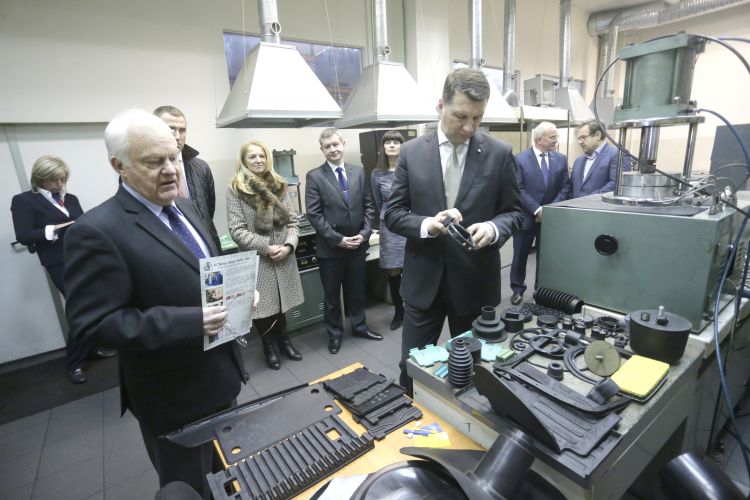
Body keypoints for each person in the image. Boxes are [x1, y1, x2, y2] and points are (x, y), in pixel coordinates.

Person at [63, 109, 246, 498]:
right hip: (173, 398)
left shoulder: (187, 208)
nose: (170, 171)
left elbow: (201, 275)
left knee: (230, 480)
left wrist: (238, 294)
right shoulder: (96, 231)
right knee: (190, 489)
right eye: (153, 162)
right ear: (119, 166)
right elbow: (94, 325)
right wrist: (191, 322)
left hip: (221, 379)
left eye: (173, 158)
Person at [384, 68, 524, 393]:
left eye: (477, 118)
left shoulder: (499, 154)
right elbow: (393, 213)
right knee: (411, 370)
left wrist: (493, 227)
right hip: (424, 284)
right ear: (441, 106)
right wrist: (426, 225)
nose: (469, 127)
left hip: (474, 283)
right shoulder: (411, 152)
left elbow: (514, 212)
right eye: (461, 116)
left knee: (474, 374)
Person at [10, 156, 114, 384]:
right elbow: (24, 235)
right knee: (81, 306)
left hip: (84, 258)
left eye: (63, 179)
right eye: (54, 180)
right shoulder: (24, 201)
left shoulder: (71, 198)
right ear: (40, 178)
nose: (60, 184)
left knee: (92, 305)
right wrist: (54, 229)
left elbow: (83, 224)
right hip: (59, 261)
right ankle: (74, 363)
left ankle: (90, 348)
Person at [227, 140, 304, 370]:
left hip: (283, 257)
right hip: (258, 259)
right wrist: (266, 247)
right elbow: (237, 230)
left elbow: (293, 222)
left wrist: (289, 246)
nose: (258, 160)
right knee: (261, 307)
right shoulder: (236, 189)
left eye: (261, 156)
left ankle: (284, 341)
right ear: (243, 160)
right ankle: (268, 346)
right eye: (252, 156)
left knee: (281, 304)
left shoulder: (279, 185)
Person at [305, 128, 381, 355]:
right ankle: (335, 334)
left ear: (343, 144)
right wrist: (338, 240)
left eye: (336, 144)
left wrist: (365, 233)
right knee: (331, 296)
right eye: (327, 146)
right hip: (331, 249)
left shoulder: (359, 172)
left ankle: (359, 327)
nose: (333, 149)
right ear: (322, 150)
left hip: (357, 246)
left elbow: (368, 206)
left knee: (357, 291)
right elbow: (314, 215)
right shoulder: (315, 176)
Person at [509, 122, 571, 305]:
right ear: (539, 139)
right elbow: (518, 188)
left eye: (556, 136)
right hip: (526, 217)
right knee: (520, 256)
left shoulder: (561, 159)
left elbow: (566, 186)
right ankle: (517, 289)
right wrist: (537, 209)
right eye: (552, 137)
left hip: (550, 218)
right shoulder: (520, 159)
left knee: (545, 257)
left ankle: (540, 290)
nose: (556, 140)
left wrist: (548, 210)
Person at [154, 105, 220, 248]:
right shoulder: (143, 171)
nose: (177, 136)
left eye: (182, 130)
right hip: (167, 248)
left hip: (205, 245)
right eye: (171, 129)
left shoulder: (201, 168)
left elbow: (208, 212)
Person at [371, 131, 407, 330]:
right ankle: (399, 313)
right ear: (383, 147)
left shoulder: (409, 169)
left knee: (412, 268)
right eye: (388, 142)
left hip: (409, 223)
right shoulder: (376, 174)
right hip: (390, 227)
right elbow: (378, 203)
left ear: (402, 146)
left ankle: (414, 310)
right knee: (394, 270)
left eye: (396, 142)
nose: (392, 145)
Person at [571, 119, 630, 198]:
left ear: (598, 135)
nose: (580, 142)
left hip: (598, 204)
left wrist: (586, 200)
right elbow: (571, 189)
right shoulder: (578, 161)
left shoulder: (617, 155)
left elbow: (615, 185)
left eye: (583, 137)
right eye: (579, 138)